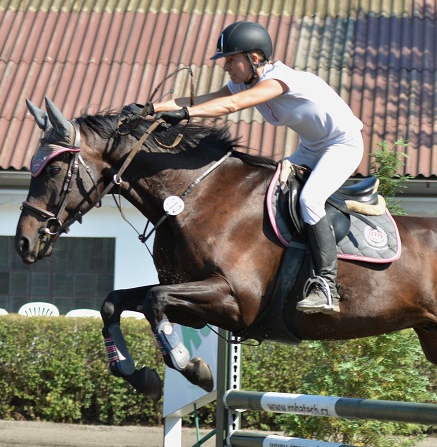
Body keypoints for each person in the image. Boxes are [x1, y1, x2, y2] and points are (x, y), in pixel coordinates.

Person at [123, 21, 364, 314]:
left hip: (342, 145)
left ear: (255, 58)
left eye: (231, 59)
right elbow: (202, 100)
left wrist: (186, 114)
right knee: (271, 192)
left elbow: (231, 106)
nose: (225, 66)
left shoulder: (279, 80)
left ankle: (326, 286)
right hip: (311, 147)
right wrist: (151, 108)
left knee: (309, 200)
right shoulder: (246, 82)